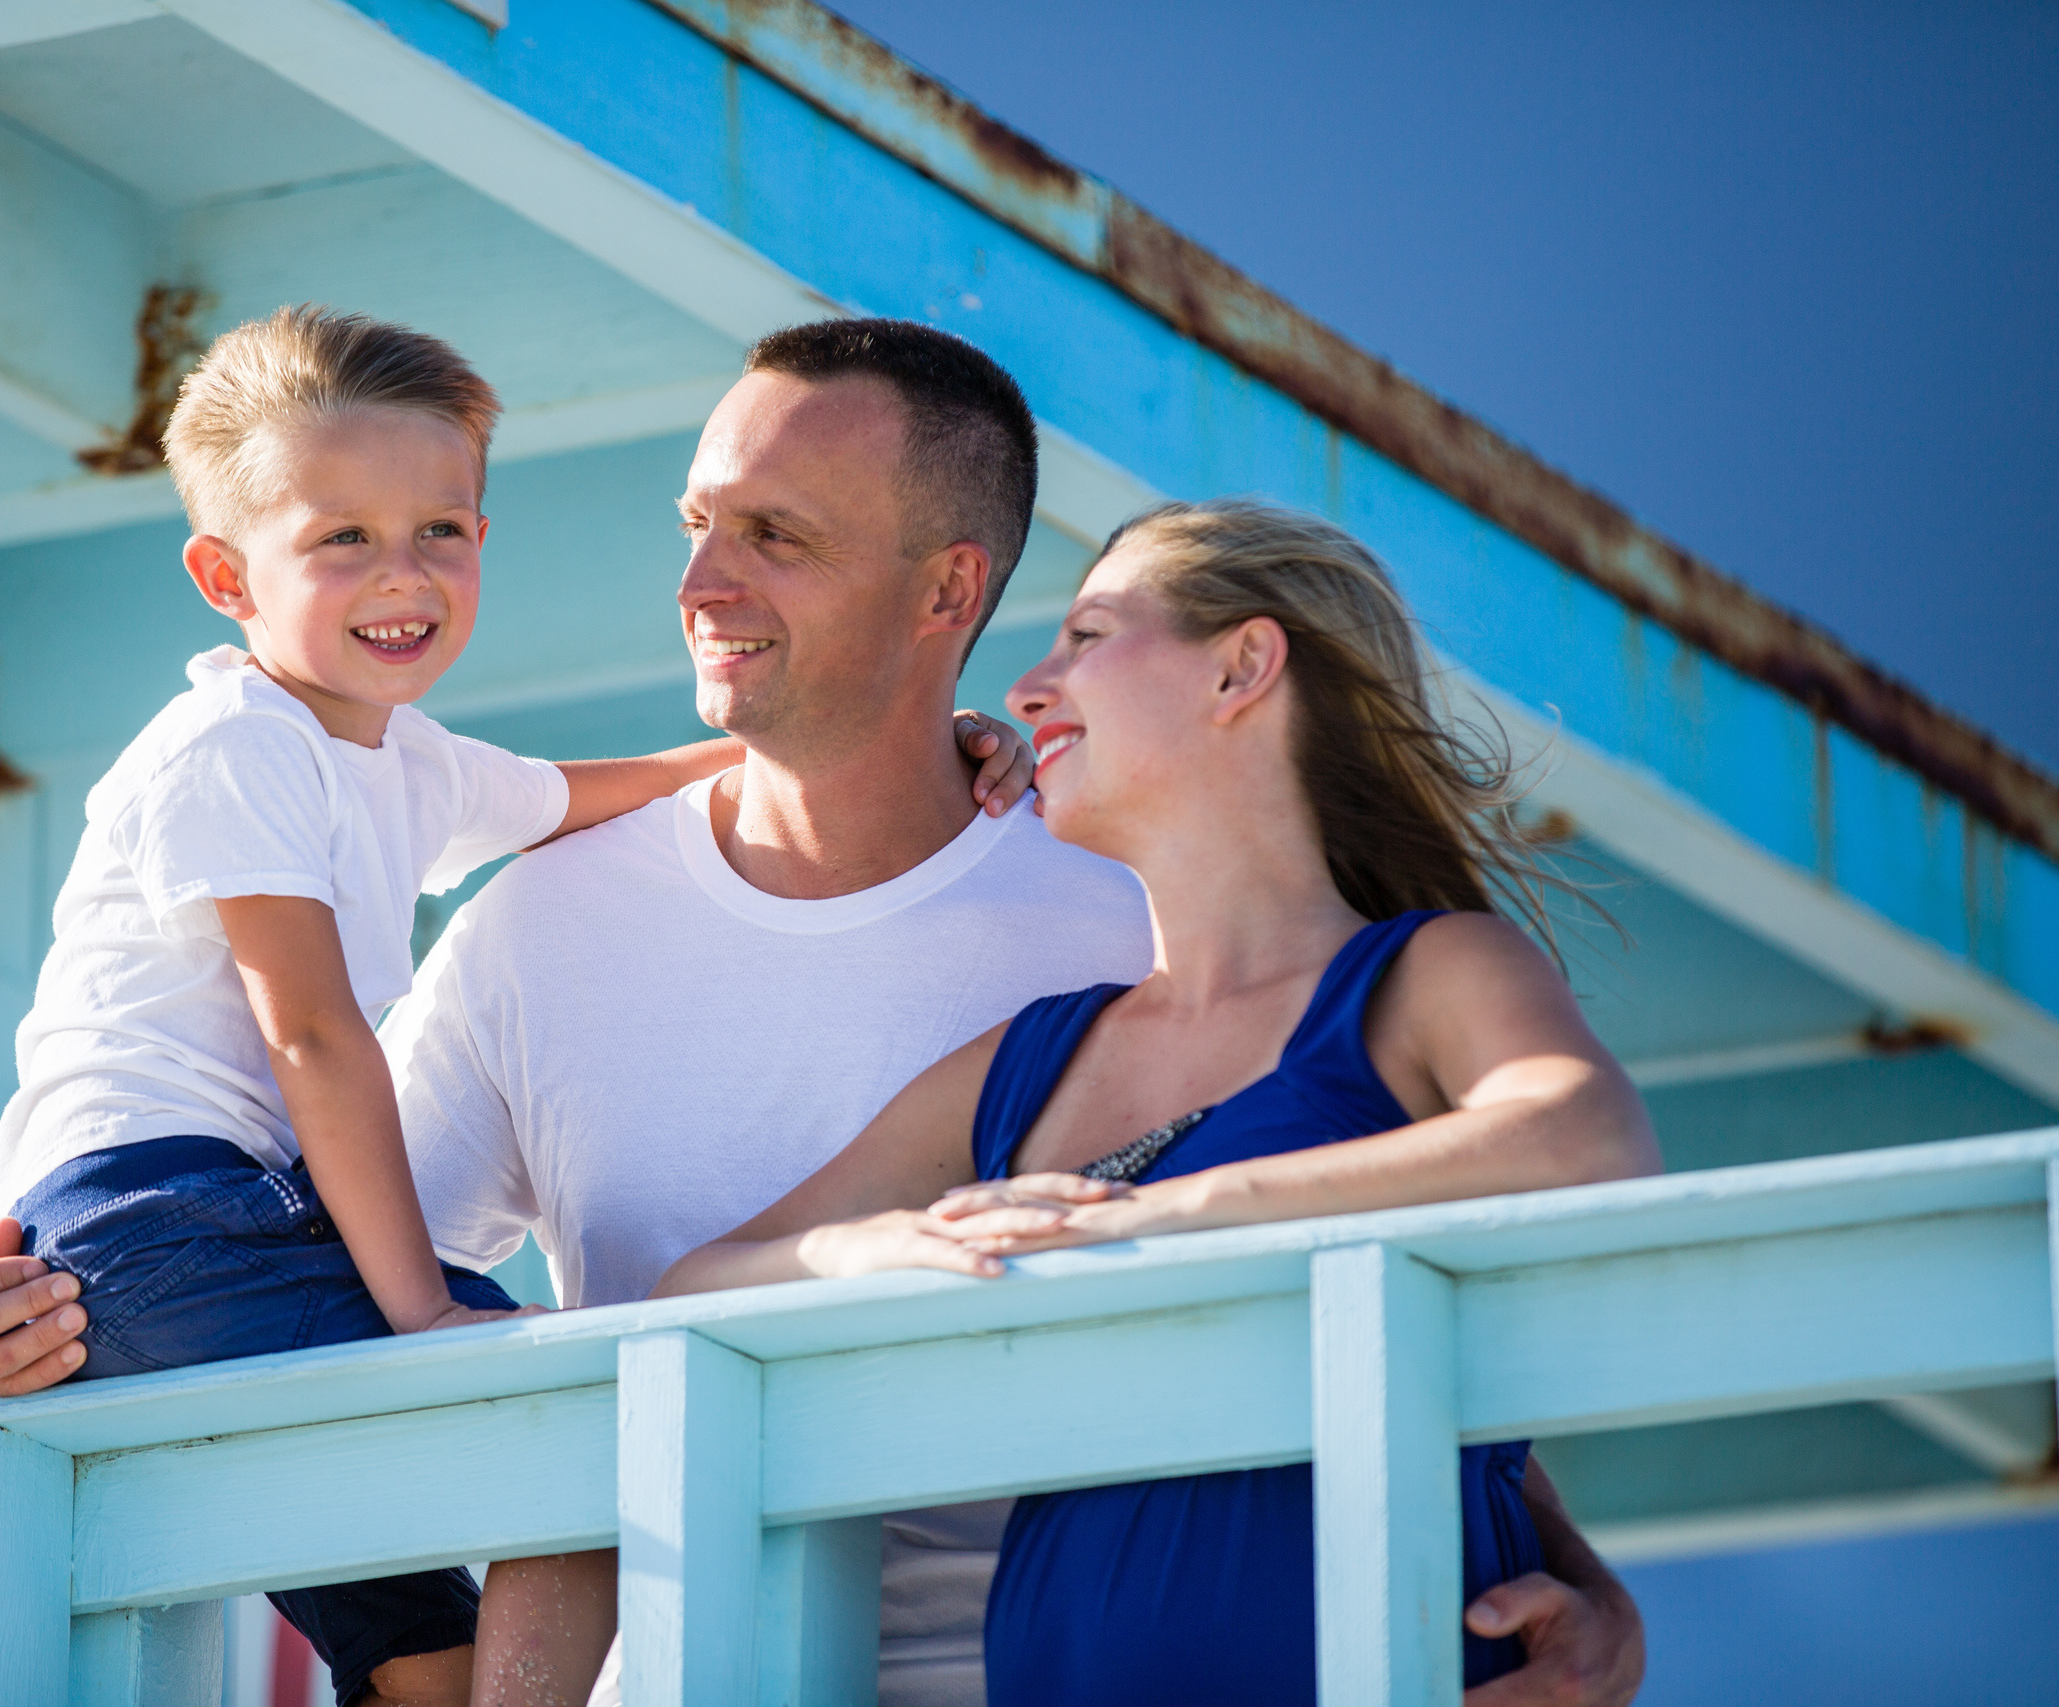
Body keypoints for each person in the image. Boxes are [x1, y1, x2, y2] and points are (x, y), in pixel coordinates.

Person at [0, 320, 1646, 1707]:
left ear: (951, 590)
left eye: (775, 536)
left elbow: (1394, 1217)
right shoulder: (533, 925)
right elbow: (277, 1258)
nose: (703, 580)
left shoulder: (1130, 903)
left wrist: (1588, 1584)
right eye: (697, 525)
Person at [0, 303, 1034, 1707]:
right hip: (162, 1215)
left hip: (202, 1234)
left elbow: (606, 784)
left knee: (421, 1630)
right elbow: (309, 1035)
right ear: (226, 575)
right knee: (575, 1390)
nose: (400, 572)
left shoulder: (401, 761)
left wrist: (930, 750)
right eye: (340, 536)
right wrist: (417, 1303)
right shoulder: (235, 744)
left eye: (445, 529)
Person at [656, 499, 1664, 1705]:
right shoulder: (1029, 1061)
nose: (1029, 689)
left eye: (1087, 635)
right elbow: (698, 1284)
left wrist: (1163, 1220)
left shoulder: (1422, 978)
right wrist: (887, 1247)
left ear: (1241, 667)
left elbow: (1585, 1137)